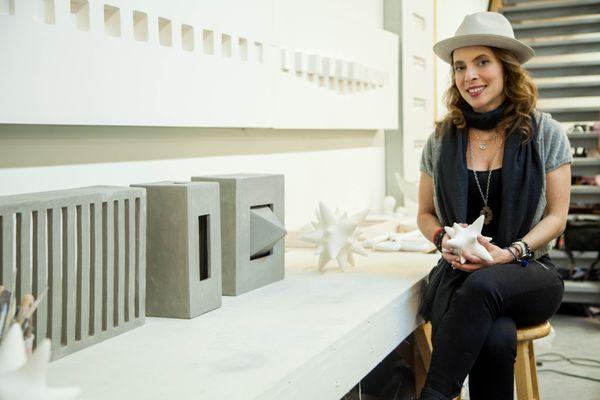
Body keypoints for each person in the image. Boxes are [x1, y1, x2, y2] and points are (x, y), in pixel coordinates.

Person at [416, 11, 572, 400]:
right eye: (460, 66)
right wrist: (444, 242)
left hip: (529, 269)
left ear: (506, 68)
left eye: (482, 62)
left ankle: (433, 395)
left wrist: (510, 253)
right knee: (496, 336)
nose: (470, 75)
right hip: (461, 276)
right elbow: (424, 213)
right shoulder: (440, 140)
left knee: (486, 282)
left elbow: (557, 216)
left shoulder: (546, 133)